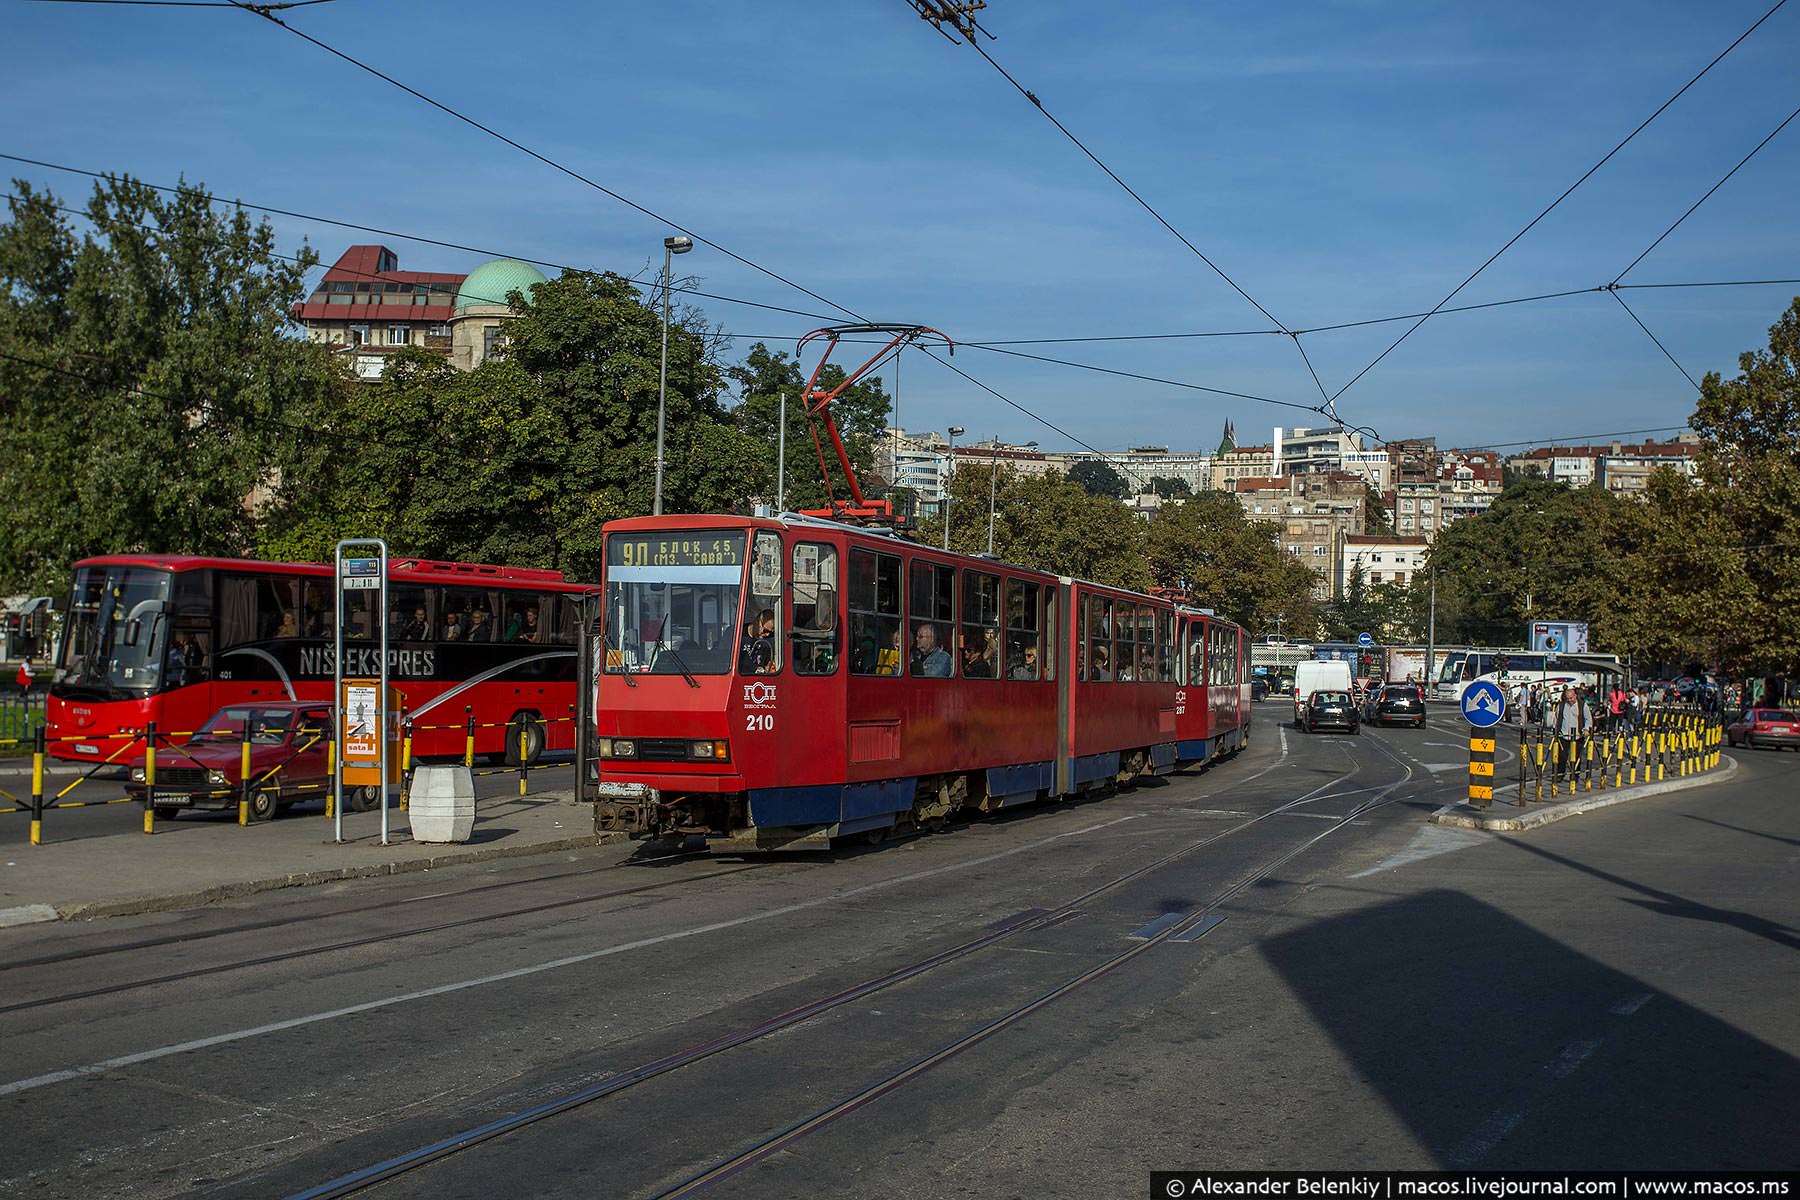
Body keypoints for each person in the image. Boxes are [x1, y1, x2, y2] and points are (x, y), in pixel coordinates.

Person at [1552, 685, 1592, 781]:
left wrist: (1586, 729)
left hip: (1578, 735)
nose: (1569, 700)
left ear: (1575, 696)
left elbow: (1588, 718)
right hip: (1564, 735)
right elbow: (1556, 718)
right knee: (1562, 756)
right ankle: (1560, 775)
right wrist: (1555, 730)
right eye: (1567, 698)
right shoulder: (1561, 705)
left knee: (1576, 757)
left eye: (1571, 698)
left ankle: (1575, 775)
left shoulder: (1582, 705)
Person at [739, 608, 775, 674]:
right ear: (757, 621)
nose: (767, 634)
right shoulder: (737, 634)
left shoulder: (769, 642)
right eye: (765, 630)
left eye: (770, 632)